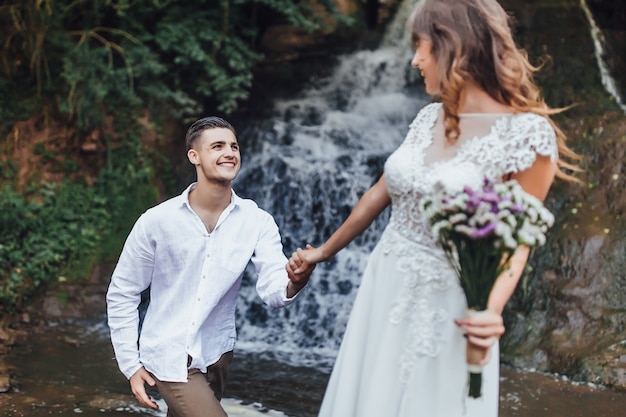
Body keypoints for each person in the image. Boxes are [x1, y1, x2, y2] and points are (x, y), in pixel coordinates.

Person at [289, 0, 581, 416]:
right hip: (385, 280)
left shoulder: (528, 136)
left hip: (448, 300)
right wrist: (323, 251)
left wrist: (491, 312)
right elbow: (379, 193)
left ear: (453, 46)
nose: (414, 60)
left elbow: (519, 242)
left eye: (421, 46)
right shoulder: (428, 118)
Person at [106, 116, 312, 417]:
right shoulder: (157, 221)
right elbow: (123, 292)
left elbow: (273, 288)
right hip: (169, 353)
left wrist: (296, 279)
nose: (229, 152)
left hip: (217, 354)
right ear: (195, 156)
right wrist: (130, 365)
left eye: (234, 146)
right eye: (217, 146)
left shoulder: (257, 221)